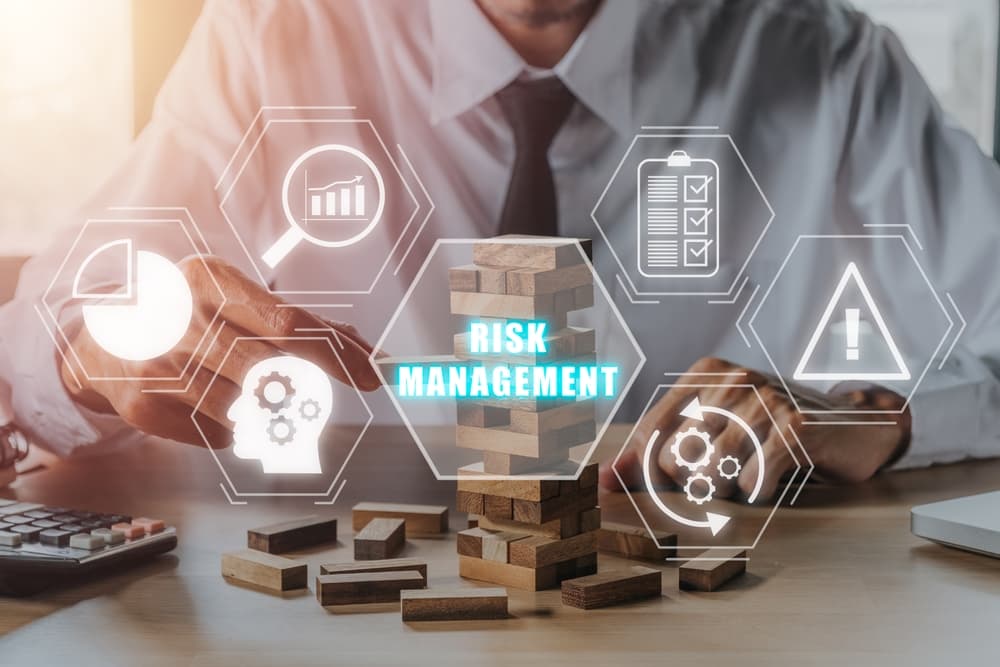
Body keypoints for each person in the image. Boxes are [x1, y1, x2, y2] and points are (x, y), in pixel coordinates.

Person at [1, 0, 998, 500]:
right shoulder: (278, 32)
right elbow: (49, 335)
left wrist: (872, 415)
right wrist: (96, 357)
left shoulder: (821, 58)